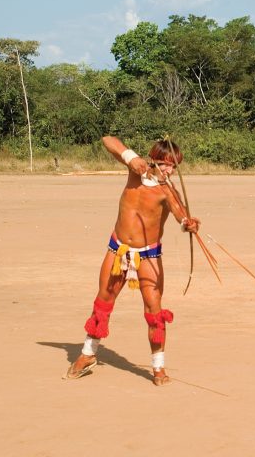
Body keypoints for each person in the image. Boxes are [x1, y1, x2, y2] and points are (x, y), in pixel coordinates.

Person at [64, 136, 199, 386]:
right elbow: (107, 140)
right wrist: (131, 157)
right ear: (153, 160)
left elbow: (182, 215)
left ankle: (158, 368)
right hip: (117, 251)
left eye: (174, 166)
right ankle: (88, 354)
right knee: (103, 302)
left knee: (154, 313)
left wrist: (188, 224)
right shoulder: (135, 172)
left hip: (148, 256)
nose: (169, 170)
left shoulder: (168, 190)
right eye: (165, 164)